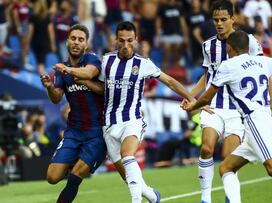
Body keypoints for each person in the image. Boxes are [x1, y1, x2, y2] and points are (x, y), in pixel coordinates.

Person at [54, 21, 195, 203]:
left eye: (130, 41)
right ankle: (152, 196)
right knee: (126, 174)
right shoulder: (106, 61)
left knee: (128, 155)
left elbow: (169, 81)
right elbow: (96, 86)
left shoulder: (143, 64)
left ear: (136, 40)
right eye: (122, 41)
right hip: (109, 125)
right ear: (116, 40)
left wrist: (193, 99)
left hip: (132, 120)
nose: (126, 45)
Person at [182, 30, 272, 203]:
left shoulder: (228, 66)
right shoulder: (261, 61)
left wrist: (193, 106)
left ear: (230, 48)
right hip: (265, 122)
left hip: (254, 122)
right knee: (226, 168)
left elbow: (207, 96)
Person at [180, 1, 272, 202]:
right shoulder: (208, 45)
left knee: (229, 157)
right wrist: (190, 95)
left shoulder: (248, 41)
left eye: (223, 19)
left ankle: (230, 197)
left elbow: (265, 71)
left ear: (233, 19)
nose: (219, 23)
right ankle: (205, 198)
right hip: (215, 106)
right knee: (206, 147)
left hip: (237, 109)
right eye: (216, 19)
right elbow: (207, 76)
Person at [40, 24, 107, 203]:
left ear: (86, 44)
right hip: (74, 131)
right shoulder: (62, 69)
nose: (76, 43)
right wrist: (49, 87)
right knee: (52, 177)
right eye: (73, 38)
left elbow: (89, 73)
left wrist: (67, 70)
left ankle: (81, 165)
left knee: (75, 177)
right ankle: (78, 159)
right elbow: (56, 98)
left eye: (81, 39)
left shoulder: (92, 60)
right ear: (67, 41)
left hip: (97, 132)